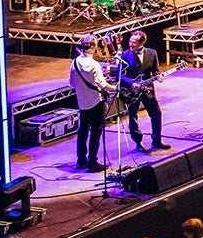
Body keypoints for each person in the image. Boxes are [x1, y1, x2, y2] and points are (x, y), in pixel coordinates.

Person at [113, 30, 169, 152]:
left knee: (156, 114)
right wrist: (131, 83)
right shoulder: (125, 55)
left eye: (134, 42)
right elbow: (119, 74)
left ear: (142, 43)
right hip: (132, 91)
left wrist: (158, 76)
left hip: (147, 89)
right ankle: (138, 142)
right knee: (133, 116)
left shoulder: (152, 53)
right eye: (130, 41)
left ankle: (157, 141)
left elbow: (155, 70)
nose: (131, 44)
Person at [69, 35, 114, 172]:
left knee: (82, 131)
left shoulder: (75, 62)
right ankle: (92, 162)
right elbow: (103, 84)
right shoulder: (94, 64)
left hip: (82, 102)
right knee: (96, 132)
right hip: (95, 102)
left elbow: (72, 84)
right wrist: (116, 88)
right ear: (93, 47)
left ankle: (81, 160)